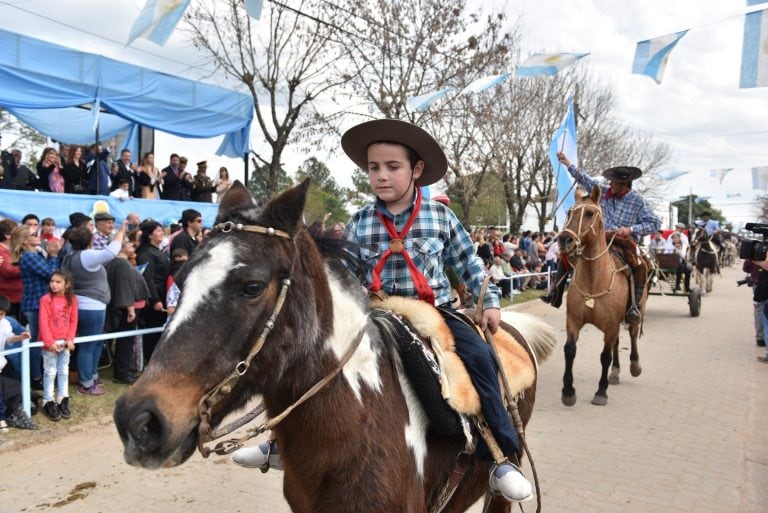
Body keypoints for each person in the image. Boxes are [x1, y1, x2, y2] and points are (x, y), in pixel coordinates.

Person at [232, 119, 533, 503]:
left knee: (480, 358)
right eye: (374, 168)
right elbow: (344, 277)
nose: (382, 175)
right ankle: (278, 439)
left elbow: (470, 265)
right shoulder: (360, 222)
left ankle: (499, 456)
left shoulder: (441, 217)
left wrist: (488, 303)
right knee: (307, 357)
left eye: (393, 167)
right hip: (376, 315)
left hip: (434, 314)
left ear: (416, 170)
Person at [541, 151, 661, 324]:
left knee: (641, 265)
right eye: (611, 181)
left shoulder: (638, 201)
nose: (611, 184)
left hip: (624, 240)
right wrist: (567, 163)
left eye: (615, 182)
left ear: (625, 184)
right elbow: (585, 179)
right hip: (599, 237)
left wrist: (630, 229)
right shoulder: (603, 192)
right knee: (566, 255)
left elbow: (655, 223)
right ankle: (556, 293)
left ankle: (634, 306)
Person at [61, 223, 125, 396]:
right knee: (89, 346)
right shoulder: (86, 255)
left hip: (83, 305)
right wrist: (121, 232)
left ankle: (92, 376)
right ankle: (86, 384)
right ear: (89, 240)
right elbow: (111, 252)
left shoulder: (70, 256)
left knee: (95, 343)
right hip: (91, 307)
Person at [11, 225, 62, 391]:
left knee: (41, 340)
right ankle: (36, 376)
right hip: (35, 304)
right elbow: (52, 274)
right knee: (37, 342)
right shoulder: (28, 256)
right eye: (34, 234)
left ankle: (40, 374)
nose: (38, 236)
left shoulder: (35, 254)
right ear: (25, 240)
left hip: (38, 303)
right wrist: (54, 255)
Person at [105, 239, 149, 384]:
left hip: (122, 306)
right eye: (130, 244)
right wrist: (130, 308)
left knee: (125, 341)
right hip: (128, 308)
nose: (133, 246)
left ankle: (123, 370)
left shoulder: (113, 262)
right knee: (126, 341)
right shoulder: (121, 263)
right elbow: (125, 287)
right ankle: (122, 373)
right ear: (121, 248)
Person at [38, 270, 77, 421]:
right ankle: (48, 400)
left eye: (58, 282)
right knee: (50, 372)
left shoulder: (72, 299)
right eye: (52, 281)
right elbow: (43, 321)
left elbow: (73, 321)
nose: (53, 284)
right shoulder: (46, 299)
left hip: (64, 343)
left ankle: (63, 397)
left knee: (63, 370)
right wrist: (49, 342)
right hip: (50, 343)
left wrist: (70, 339)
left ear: (66, 284)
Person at [0, 295, 37, 432]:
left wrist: (21, 337)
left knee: (13, 390)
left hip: (0, 367)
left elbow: (8, 339)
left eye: (2, 314)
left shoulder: (5, 323)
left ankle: (6, 417)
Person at [136, 220, 169, 361]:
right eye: (158, 230)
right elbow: (147, 278)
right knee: (151, 332)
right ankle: (149, 359)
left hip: (162, 293)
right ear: (150, 235)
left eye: (162, 230)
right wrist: (155, 299)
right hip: (153, 297)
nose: (162, 233)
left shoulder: (158, 251)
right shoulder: (147, 253)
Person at [0, 219, 23, 320]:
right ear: (7, 235)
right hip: (8, 300)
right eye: (16, 232)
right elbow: (9, 271)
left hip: (16, 298)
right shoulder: (1, 251)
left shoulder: (11, 250)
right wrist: (26, 265)